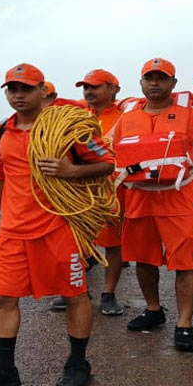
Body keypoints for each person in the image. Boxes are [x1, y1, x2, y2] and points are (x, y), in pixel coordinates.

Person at [0, 63, 114, 386]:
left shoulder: (70, 127)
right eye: (12, 89)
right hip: (14, 230)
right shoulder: (0, 131)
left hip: (60, 225)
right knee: (3, 298)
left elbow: (108, 162)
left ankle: (78, 363)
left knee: (75, 296)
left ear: (42, 90)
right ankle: (4, 369)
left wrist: (70, 171)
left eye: (26, 89)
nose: (18, 95)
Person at [113, 58, 193, 352]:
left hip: (180, 199)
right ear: (140, 84)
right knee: (143, 259)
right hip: (138, 199)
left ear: (174, 83)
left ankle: (185, 324)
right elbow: (116, 163)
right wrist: (113, 204)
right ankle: (153, 309)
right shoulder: (126, 120)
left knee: (184, 263)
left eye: (161, 78)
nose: (154, 83)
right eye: (149, 78)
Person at [76, 68, 128, 316]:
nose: (89, 92)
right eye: (86, 87)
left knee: (113, 244)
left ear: (113, 89)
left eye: (95, 87)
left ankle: (108, 293)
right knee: (74, 243)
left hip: (111, 190)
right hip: (78, 191)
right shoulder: (76, 116)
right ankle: (76, 291)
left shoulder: (125, 116)